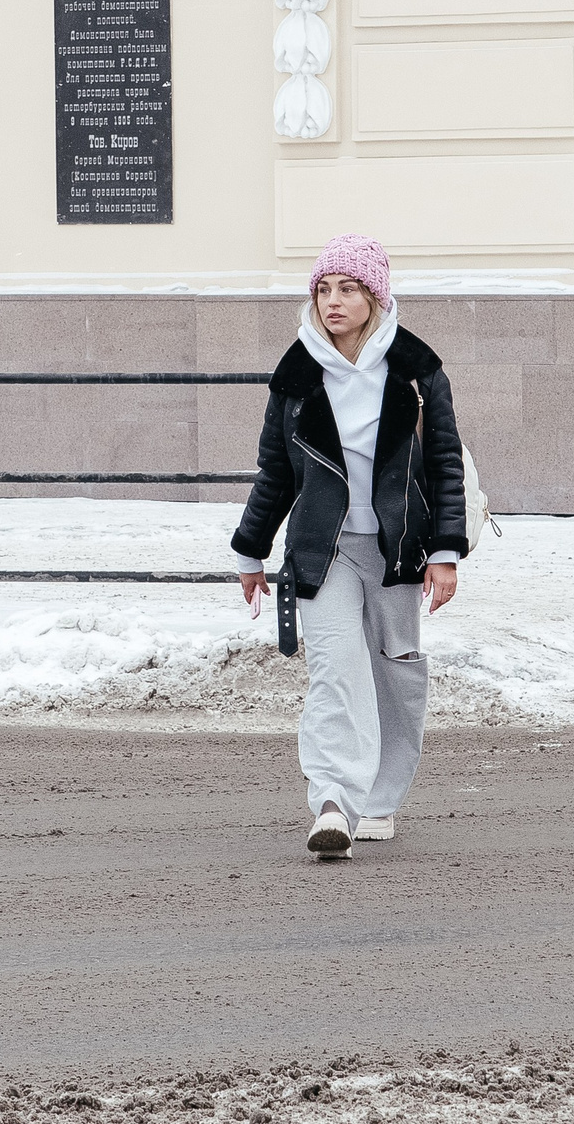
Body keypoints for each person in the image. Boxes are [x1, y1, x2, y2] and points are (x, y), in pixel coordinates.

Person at [230, 233, 467, 857]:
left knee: (396, 675)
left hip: (398, 550)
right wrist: (250, 549)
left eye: (349, 289)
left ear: (375, 296)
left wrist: (445, 552)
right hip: (323, 550)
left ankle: (380, 799)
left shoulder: (417, 369)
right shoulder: (297, 374)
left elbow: (444, 462)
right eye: (323, 290)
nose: (333, 302)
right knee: (337, 674)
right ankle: (334, 801)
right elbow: (276, 471)